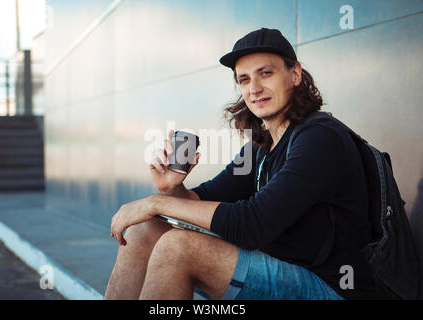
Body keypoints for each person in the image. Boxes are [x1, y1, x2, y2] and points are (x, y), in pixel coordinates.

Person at [104, 28, 375, 300]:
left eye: (265, 73)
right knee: (144, 230)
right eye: (244, 79)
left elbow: (252, 225)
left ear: (295, 74)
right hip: (285, 268)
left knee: (179, 247)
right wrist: (172, 189)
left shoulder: (319, 137)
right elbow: (202, 201)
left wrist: (154, 203)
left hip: (333, 286)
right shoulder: (261, 146)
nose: (254, 88)